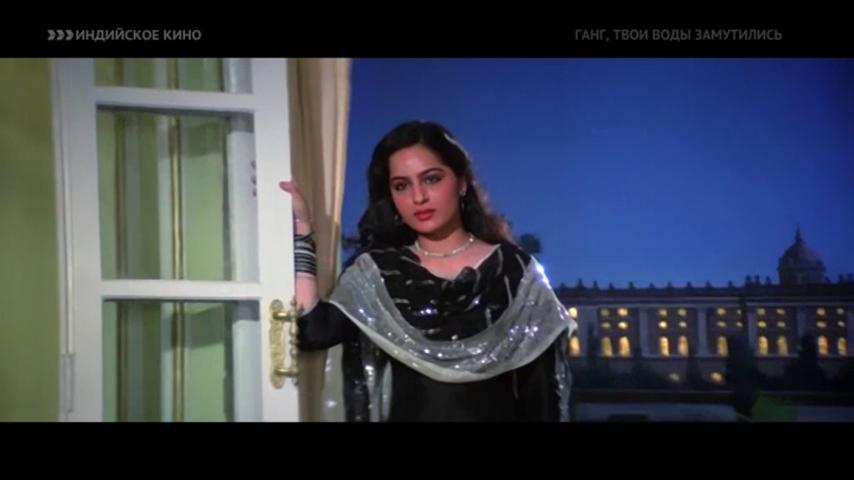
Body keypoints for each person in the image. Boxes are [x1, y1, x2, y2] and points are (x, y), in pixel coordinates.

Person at [279, 120, 576, 422]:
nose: (418, 197)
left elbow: (543, 396)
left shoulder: (514, 272)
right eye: (402, 185)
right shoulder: (379, 273)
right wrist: (301, 227)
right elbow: (313, 330)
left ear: (462, 182)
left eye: (431, 179)